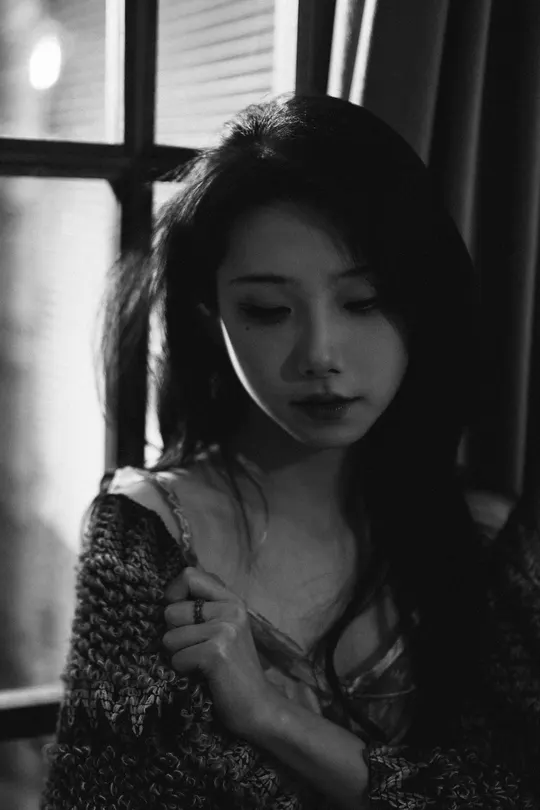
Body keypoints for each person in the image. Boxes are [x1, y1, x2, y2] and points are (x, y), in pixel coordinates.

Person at [40, 94, 540, 808]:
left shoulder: (487, 537)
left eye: (364, 301)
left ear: (423, 303)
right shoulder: (149, 534)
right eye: (269, 310)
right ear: (212, 315)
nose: (320, 354)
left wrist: (272, 718)